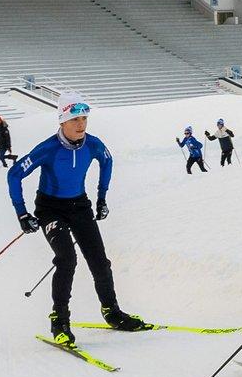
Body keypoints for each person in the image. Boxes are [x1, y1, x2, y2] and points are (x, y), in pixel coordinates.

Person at [9, 92, 146, 345]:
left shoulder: (92, 144)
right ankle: (59, 320)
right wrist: (22, 213)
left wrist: (101, 198)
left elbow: (107, 161)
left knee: (99, 261)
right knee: (66, 259)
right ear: (62, 122)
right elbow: (14, 175)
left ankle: (112, 313)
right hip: (50, 209)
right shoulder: (48, 148)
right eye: (74, 120)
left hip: (79, 206)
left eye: (84, 118)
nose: (81, 124)